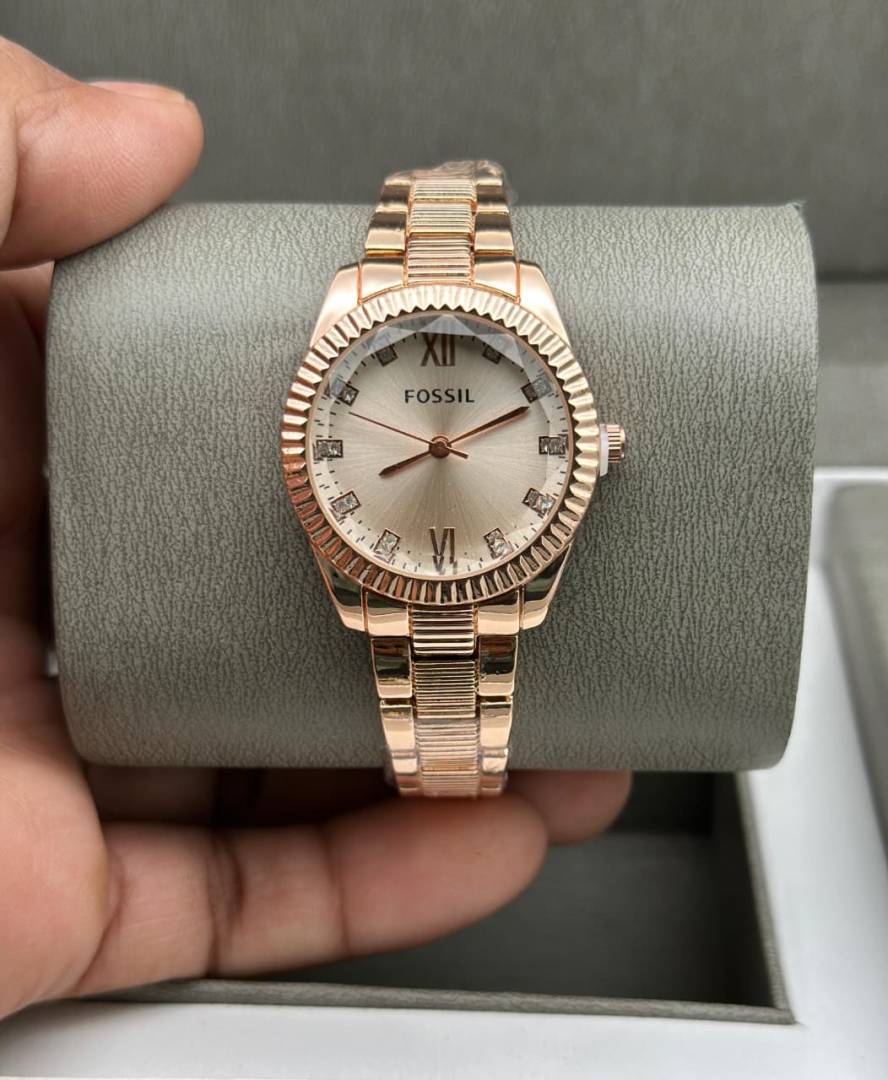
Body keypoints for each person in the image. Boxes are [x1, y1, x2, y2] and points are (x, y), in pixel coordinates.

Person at [0, 37, 630, 1019]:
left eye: (460, 437)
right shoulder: (360, 373)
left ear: (589, 449)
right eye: (425, 438)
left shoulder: (450, 368)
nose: (440, 445)